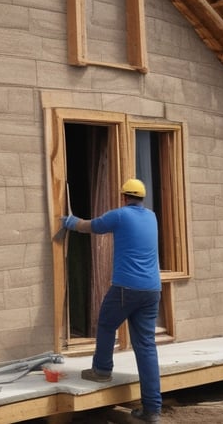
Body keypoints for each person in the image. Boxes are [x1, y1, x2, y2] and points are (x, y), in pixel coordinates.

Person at [61, 178, 162, 423]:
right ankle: (152, 410)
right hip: (152, 290)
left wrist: (70, 223)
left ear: (124, 197)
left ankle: (102, 370)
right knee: (146, 347)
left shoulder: (120, 215)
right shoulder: (151, 216)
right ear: (142, 197)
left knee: (106, 324)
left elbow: (91, 226)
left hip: (126, 288)